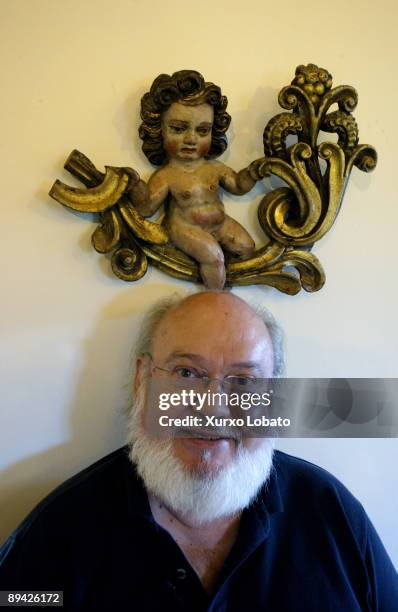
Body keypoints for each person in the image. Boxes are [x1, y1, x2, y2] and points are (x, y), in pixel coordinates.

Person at [0, 291, 397, 611]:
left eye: (243, 381)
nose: (212, 406)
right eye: (187, 373)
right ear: (142, 380)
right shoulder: (58, 531)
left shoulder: (334, 514)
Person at [128, 70, 264, 289]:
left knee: (246, 246)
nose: (191, 139)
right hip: (185, 228)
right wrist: (134, 186)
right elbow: (146, 208)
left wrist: (252, 173)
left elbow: (238, 186)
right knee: (214, 258)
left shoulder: (214, 168)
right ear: (159, 130)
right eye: (178, 129)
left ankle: (224, 280)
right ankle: (215, 298)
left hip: (219, 224)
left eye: (202, 131)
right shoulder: (166, 175)